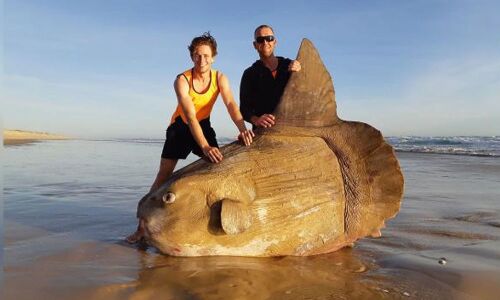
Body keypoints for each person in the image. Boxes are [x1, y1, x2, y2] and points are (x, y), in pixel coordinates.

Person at [127, 32, 254, 243]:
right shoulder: (182, 80)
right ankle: (142, 227)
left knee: (217, 166)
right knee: (164, 175)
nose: (201, 60)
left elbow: (231, 104)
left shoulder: (220, 78)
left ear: (213, 57)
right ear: (191, 57)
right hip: (181, 127)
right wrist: (204, 146)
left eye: (206, 56)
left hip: (203, 124)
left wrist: (243, 128)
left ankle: (206, 220)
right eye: (197, 55)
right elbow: (190, 117)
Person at [240, 25, 301, 129]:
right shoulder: (249, 74)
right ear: (255, 45)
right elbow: (244, 109)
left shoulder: (291, 66)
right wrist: (256, 120)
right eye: (260, 39)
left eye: (269, 38)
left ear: (275, 42)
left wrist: (301, 71)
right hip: (264, 133)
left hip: (292, 129)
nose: (265, 42)